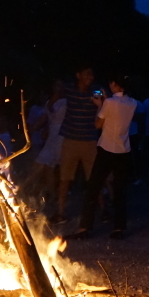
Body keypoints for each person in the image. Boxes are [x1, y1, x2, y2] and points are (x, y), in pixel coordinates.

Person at [68, 74, 138, 240]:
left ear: (114, 83)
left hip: (106, 149)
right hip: (123, 150)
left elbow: (98, 124)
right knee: (120, 189)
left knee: (93, 187)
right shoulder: (133, 103)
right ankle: (119, 228)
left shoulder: (109, 102)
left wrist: (99, 105)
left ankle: (84, 228)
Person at [54, 65, 100, 223]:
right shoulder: (69, 90)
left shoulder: (95, 91)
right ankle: (60, 213)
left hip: (90, 141)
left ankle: (103, 210)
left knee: (94, 177)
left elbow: (104, 109)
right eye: (87, 74)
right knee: (65, 178)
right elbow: (54, 100)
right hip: (71, 140)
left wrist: (102, 101)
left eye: (91, 75)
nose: (90, 77)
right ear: (78, 74)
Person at [25, 80, 67, 214]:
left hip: (61, 136)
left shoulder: (66, 102)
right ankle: (51, 196)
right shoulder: (50, 101)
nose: (58, 88)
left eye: (60, 85)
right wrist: (29, 131)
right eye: (56, 85)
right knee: (47, 168)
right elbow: (45, 118)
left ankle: (22, 188)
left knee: (44, 164)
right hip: (52, 136)